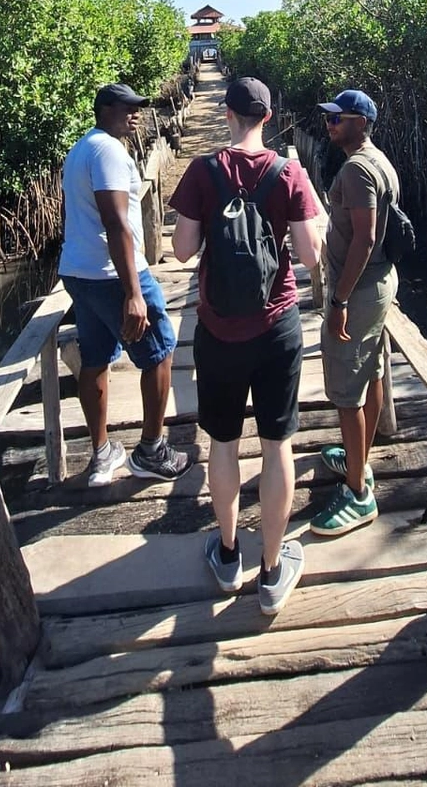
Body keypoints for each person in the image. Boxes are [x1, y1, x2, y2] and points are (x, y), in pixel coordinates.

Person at [170, 77, 325, 615]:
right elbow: (308, 258)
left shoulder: (202, 170)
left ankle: (230, 553)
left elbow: (184, 251)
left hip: (217, 329)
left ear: (229, 114)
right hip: (277, 326)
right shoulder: (290, 172)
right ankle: (272, 570)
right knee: (277, 444)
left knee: (224, 443)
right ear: (267, 115)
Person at [59, 82, 193, 487]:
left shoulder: (81, 148)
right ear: (103, 109)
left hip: (79, 273)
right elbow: (115, 222)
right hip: (113, 275)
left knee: (95, 357)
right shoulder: (109, 152)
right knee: (160, 354)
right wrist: (134, 293)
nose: (135, 114)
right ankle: (151, 451)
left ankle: (102, 454)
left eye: (138, 107)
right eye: (126, 108)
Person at [310, 88, 399, 537]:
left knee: (347, 390)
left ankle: (358, 494)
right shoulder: (379, 160)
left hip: (359, 289)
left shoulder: (357, 170)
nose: (330, 126)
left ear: (361, 122)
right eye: (328, 119)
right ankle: (358, 454)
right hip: (379, 282)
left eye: (338, 119)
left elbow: (364, 240)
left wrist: (339, 301)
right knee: (374, 374)